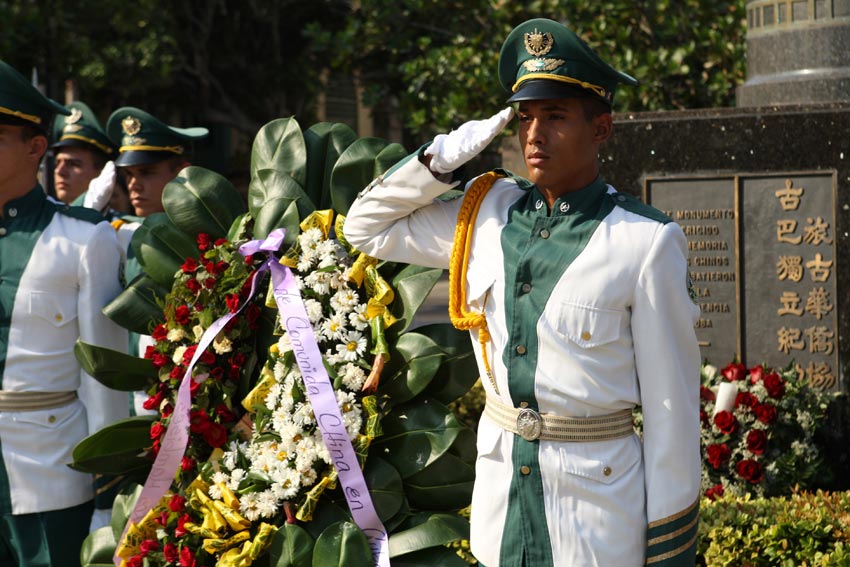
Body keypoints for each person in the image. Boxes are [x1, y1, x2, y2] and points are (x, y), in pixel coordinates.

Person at [343, 18, 701, 567]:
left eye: (556, 117)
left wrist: (670, 550)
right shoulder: (486, 213)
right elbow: (365, 226)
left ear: (601, 128)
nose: (534, 135)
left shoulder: (645, 240)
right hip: (501, 508)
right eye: (526, 118)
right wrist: (443, 156)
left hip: (596, 523)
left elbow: (671, 408)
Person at [0, 60, 129, 566]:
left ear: (35, 148)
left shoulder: (82, 239)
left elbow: (105, 373)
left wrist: (107, 497)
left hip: (51, 473)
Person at [100, 107, 208, 415]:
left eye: (146, 173)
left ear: (181, 172)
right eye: (129, 175)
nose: (134, 185)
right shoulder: (121, 236)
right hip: (133, 402)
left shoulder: (207, 240)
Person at [50, 100, 117, 205]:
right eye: (57, 163)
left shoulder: (116, 222)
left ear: (101, 173)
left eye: (73, 164)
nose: (60, 171)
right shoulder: (46, 220)